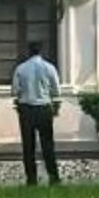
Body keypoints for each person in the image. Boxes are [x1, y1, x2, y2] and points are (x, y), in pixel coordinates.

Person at [10, 40, 62, 186]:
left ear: (29, 51)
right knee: (48, 144)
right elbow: (56, 91)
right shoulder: (49, 67)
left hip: (26, 109)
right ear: (41, 51)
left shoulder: (21, 68)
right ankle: (53, 176)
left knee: (28, 145)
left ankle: (31, 179)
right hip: (44, 108)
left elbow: (14, 91)